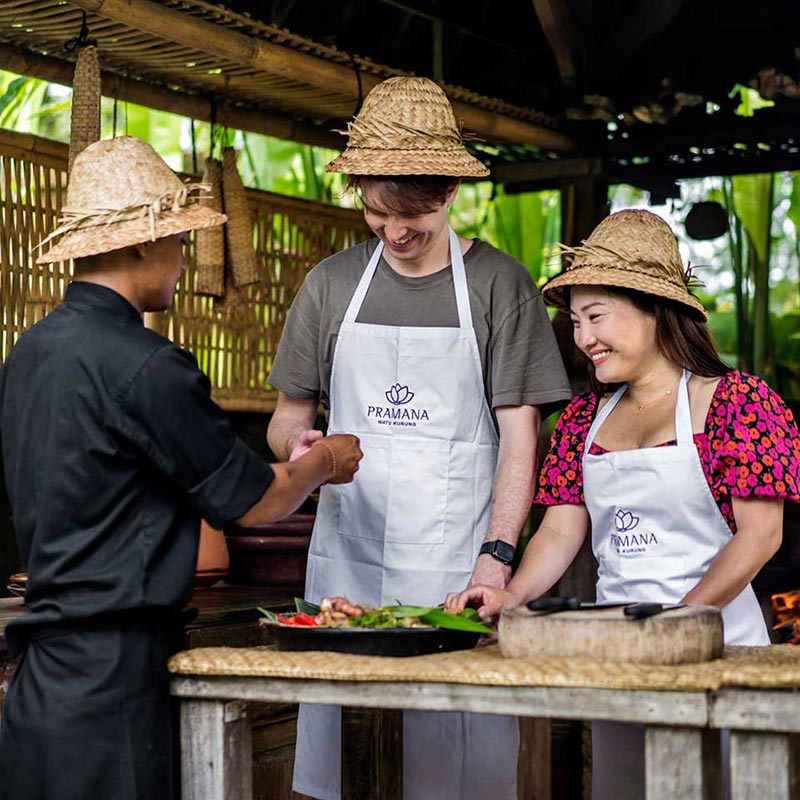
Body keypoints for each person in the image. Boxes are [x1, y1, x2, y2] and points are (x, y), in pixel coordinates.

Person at [0, 136, 362, 800]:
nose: (182, 255)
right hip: (113, 688)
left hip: (40, 683)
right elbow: (253, 502)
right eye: (176, 237)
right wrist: (325, 462)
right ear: (141, 241)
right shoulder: (146, 365)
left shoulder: (27, 355)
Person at [267, 76, 572, 800]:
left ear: (449, 195)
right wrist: (299, 450)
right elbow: (285, 417)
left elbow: (520, 436)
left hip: (454, 578)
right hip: (344, 574)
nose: (395, 233)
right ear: (361, 191)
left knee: (454, 769)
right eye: (379, 214)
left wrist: (498, 558)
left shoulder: (500, 285)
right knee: (345, 764)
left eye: (414, 217)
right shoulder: (330, 286)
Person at [446, 208, 800, 799]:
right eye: (576, 320)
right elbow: (560, 531)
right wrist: (513, 594)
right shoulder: (583, 419)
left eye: (595, 316)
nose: (583, 338)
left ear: (653, 309)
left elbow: (761, 537)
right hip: (619, 659)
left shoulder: (737, 403)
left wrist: (679, 623)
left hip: (721, 653)